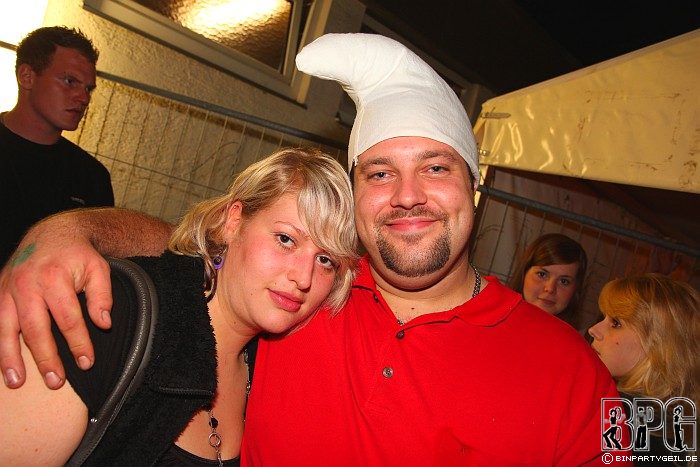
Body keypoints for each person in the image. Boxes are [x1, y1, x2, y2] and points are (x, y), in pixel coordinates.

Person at [0, 33, 626, 465]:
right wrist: (66, 233)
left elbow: (664, 445)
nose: (408, 195)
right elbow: (199, 251)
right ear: (357, 195)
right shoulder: (310, 294)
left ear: (475, 188)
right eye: (380, 173)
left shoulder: (576, 370)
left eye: (436, 167)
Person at [0, 147, 358, 465]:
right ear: (233, 221)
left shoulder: (270, 365)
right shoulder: (109, 314)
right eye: (285, 239)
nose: (303, 277)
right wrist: (64, 230)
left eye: (325, 260)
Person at [0, 26, 114, 267]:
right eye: (70, 81)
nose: (84, 98)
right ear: (27, 76)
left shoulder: (92, 177)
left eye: (88, 89)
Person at [589, 273, 699, 463]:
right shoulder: (674, 419)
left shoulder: (619, 414)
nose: (594, 330)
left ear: (658, 344)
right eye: (603, 317)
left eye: (616, 323)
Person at [508, 233, 588, 328]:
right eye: (542, 274)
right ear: (524, 273)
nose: (550, 288)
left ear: (575, 289)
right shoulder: (493, 321)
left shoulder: (569, 337)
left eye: (563, 281)